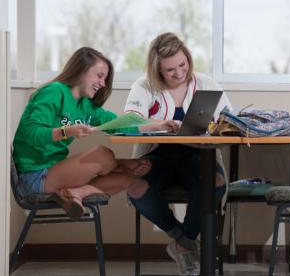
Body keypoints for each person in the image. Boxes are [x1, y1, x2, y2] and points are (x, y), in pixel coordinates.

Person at [13, 46, 178, 220]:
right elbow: (32, 134)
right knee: (103, 155)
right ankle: (119, 163)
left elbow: (120, 125)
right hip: (33, 176)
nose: (103, 84)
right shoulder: (54, 92)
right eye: (99, 76)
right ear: (81, 71)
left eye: (105, 78)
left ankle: (75, 193)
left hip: (54, 171)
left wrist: (159, 124)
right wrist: (66, 131)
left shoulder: (86, 106)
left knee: (125, 179)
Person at [124, 32, 233, 275]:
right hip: (157, 156)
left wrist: (215, 126)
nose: (179, 73)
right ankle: (185, 243)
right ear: (157, 70)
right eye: (170, 69)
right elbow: (129, 123)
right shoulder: (143, 87)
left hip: (198, 157)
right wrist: (158, 124)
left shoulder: (206, 84)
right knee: (135, 188)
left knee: (216, 183)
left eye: (182, 65)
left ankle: (181, 247)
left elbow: (230, 120)